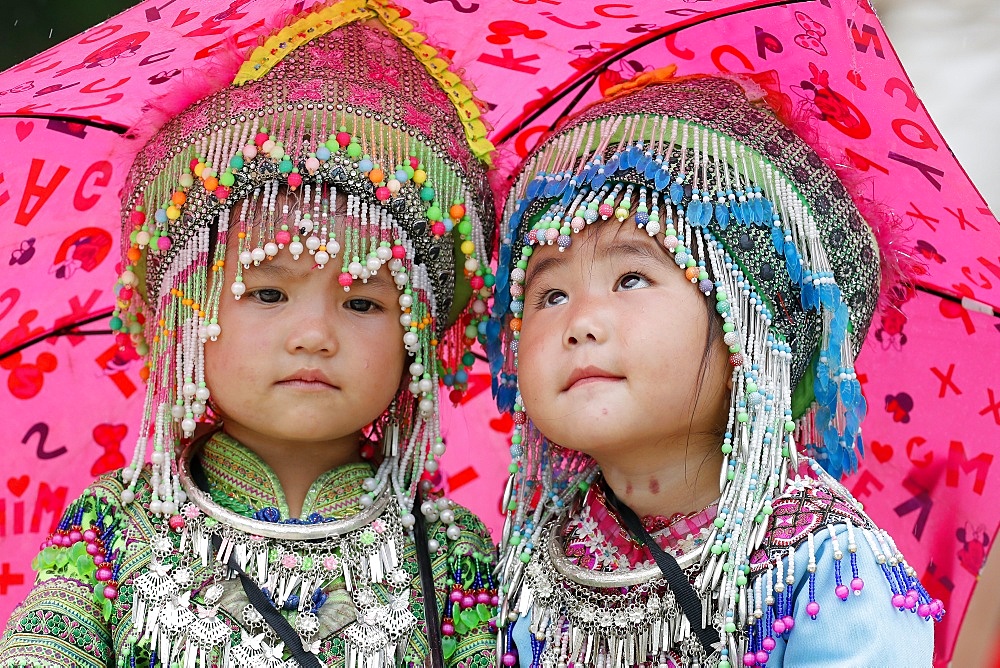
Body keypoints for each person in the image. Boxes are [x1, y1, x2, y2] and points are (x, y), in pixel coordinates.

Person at [0, 3, 498, 667]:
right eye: (268, 293)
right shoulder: (115, 526)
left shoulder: (452, 552)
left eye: (364, 302)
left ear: (416, 339)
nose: (315, 334)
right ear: (185, 313)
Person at [487, 70, 942, 667]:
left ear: (749, 329)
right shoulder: (529, 565)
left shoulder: (823, 570)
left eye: (631, 278)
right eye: (549, 295)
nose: (581, 322)